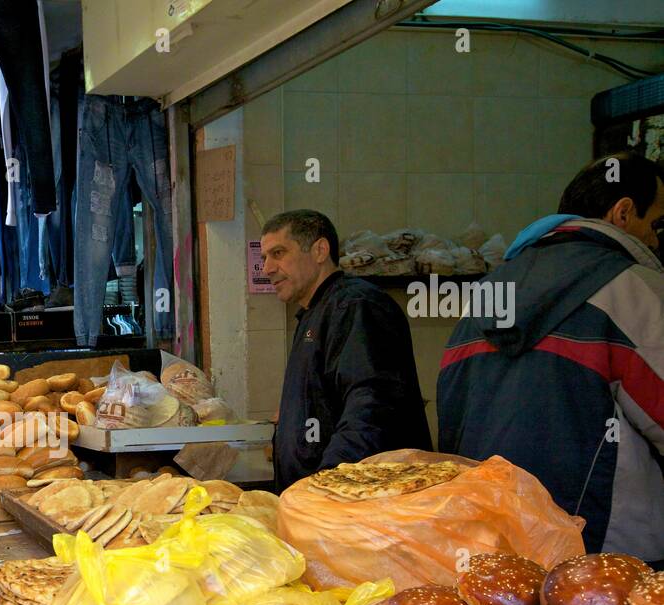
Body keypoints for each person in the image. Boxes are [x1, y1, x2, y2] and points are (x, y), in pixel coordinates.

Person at [438, 153, 664, 561]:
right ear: (624, 212)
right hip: (609, 551)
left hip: (491, 542)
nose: (656, 240)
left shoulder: (487, 291)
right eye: (657, 224)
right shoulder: (634, 288)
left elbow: (451, 417)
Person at [262, 209, 432, 491]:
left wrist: (327, 484)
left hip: (356, 502)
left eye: (278, 253)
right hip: (318, 503)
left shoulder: (356, 305)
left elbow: (372, 406)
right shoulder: (315, 312)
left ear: (319, 250)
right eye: (265, 257)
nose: (267, 268)